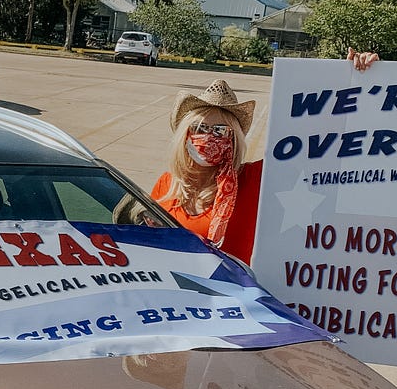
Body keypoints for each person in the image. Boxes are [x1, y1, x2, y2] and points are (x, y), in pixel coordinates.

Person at [150, 51, 378, 264]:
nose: (208, 137)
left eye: (220, 131)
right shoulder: (166, 185)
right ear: (185, 133)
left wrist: (356, 81)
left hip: (232, 301)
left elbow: (320, 148)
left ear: (234, 139)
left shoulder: (254, 179)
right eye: (200, 128)